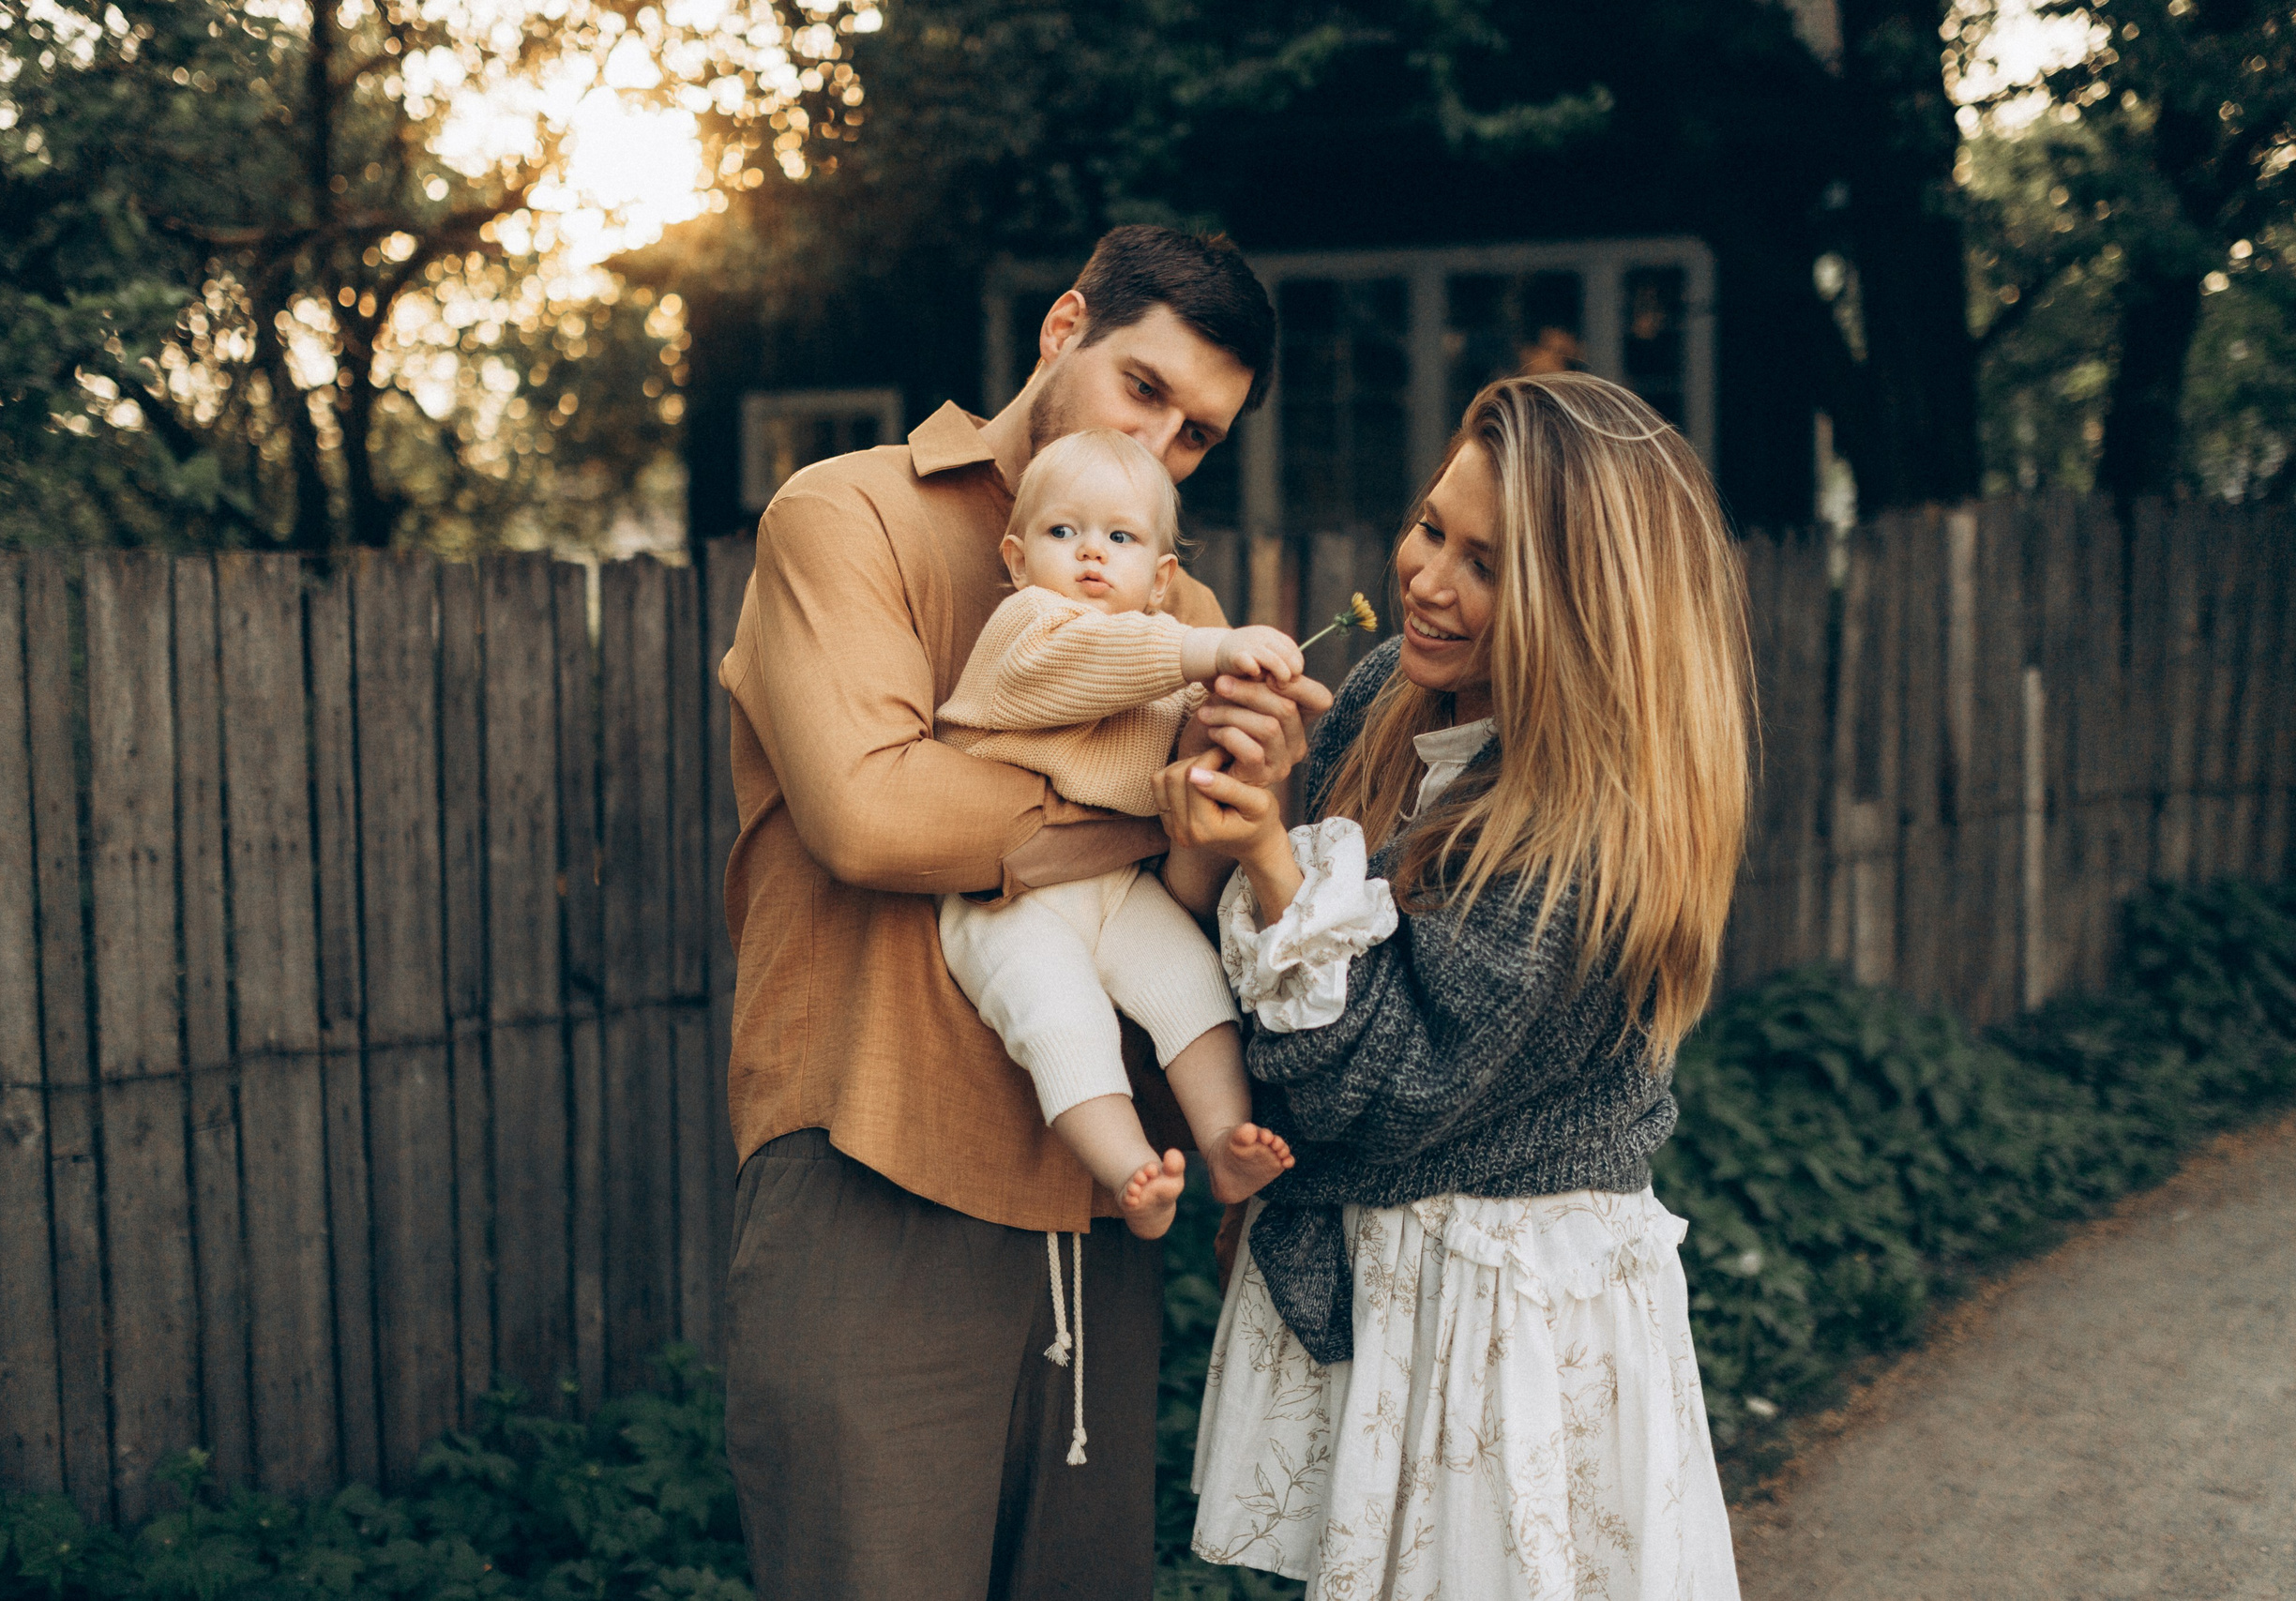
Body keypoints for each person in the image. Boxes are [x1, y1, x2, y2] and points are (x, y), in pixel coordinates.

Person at [718, 224, 1332, 1601]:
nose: (1165, 445)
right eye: (1146, 390)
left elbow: (1176, 902)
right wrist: (1137, 811)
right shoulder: (846, 512)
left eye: (1197, 439)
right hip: (872, 1165)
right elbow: (872, 818)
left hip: (1101, 1197)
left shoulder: (1183, 597)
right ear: (1063, 331)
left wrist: (1241, 813)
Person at [1156, 371, 1751, 1598]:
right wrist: (1244, 797)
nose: (1428, 577)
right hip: (1398, 1281)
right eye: (1432, 527)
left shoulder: (1588, 833)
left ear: (1582, 604)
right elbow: (1272, 997)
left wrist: (1272, 850)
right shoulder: (1391, 695)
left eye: (1487, 562)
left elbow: (1373, 1089)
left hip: (1506, 1311)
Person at [935, 426, 1300, 1247]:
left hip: (1114, 891)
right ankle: (1129, 1167)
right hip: (1008, 901)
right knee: (1060, 1014)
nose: (1090, 554)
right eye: (1063, 532)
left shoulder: (1160, 667)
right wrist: (1208, 647)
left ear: (1161, 578)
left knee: (1191, 979)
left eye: (1120, 538)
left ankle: (1224, 1142)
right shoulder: (1029, 627)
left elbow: (1174, 737)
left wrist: (1224, 719)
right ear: (1019, 557)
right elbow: (1091, 660)